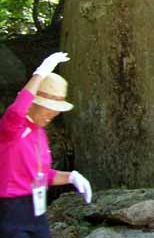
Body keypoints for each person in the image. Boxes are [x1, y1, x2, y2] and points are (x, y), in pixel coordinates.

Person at [0, 52, 92, 238]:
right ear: (33, 103)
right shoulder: (12, 128)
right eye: (47, 108)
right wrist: (40, 73)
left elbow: (42, 175)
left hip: (37, 210)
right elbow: (18, 108)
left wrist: (71, 177)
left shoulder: (40, 132)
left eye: (56, 110)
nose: (52, 114)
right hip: (10, 209)